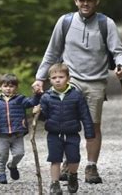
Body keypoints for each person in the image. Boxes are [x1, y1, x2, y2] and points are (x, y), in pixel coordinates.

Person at [32, 0, 122, 184]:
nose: (85, 3)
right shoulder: (65, 21)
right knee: (66, 123)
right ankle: (69, 163)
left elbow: (118, 51)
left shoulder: (106, 23)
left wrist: (121, 65)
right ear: (76, 1)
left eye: (89, 0)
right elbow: (52, 52)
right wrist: (40, 77)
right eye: (81, 0)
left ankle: (91, 167)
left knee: (93, 126)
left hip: (96, 82)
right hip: (70, 81)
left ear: (96, 2)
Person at [34, 63, 95, 194]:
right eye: (54, 77)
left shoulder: (76, 95)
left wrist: (89, 133)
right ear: (49, 80)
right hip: (54, 133)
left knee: (74, 158)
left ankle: (72, 175)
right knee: (54, 159)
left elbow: (85, 115)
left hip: (72, 133)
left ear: (68, 78)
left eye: (61, 77)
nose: (57, 80)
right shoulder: (46, 97)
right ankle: (55, 183)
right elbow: (44, 117)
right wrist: (38, 112)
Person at [0, 73, 42, 184]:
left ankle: (12, 165)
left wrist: (37, 95)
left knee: (19, 153)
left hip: (17, 133)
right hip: (2, 133)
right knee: (2, 155)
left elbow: (32, 102)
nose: (8, 88)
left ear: (16, 87)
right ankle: (1, 174)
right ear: (0, 87)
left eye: (11, 86)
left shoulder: (20, 99)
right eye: (5, 86)